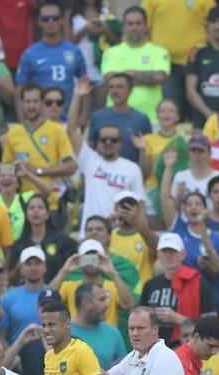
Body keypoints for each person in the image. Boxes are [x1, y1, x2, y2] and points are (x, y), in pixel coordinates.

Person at [68, 79, 147, 230]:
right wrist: (77, 96)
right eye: (103, 139)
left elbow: (140, 205)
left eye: (113, 140)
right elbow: (71, 130)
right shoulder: (89, 160)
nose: (108, 143)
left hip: (120, 235)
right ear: (97, 142)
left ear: (121, 143)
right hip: (90, 234)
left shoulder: (132, 168)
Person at [140, 232, 216, 344]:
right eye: (164, 251)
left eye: (173, 251)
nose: (168, 255)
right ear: (158, 254)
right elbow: (140, 318)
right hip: (154, 346)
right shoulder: (150, 284)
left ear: (183, 254)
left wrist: (178, 319)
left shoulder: (199, 282)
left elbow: (211, 324)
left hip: (186, 345)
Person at [101, 5, 169, 124]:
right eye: (130, 24)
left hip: (151, 117)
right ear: (124, 27)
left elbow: (159, 78)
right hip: (116, 117)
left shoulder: (159, 52)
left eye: (138, 23)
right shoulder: (111, 52)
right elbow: (110, 79)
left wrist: (127, 75)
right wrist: (146, 77)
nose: (134, 27)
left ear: (146, 26)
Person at [15, 1, 86, 113]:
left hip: (69, 118)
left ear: (62, 20)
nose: (50, 22)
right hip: (39, 119)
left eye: (55, 18)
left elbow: (84, 84)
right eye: (45, 19)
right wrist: (23, 121)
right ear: (39, 22)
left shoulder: (74, 51)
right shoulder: (30, 53)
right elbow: (20, 90)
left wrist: (83, 116)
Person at [86, 72, 151, 163]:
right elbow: (90, 149)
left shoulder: (141, 119)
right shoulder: (97, 117)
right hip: (102, 174)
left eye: (120, 87)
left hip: (130, 174)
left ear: (130, 90)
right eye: (111, 87)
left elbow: (147, 153)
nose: (114, 91)